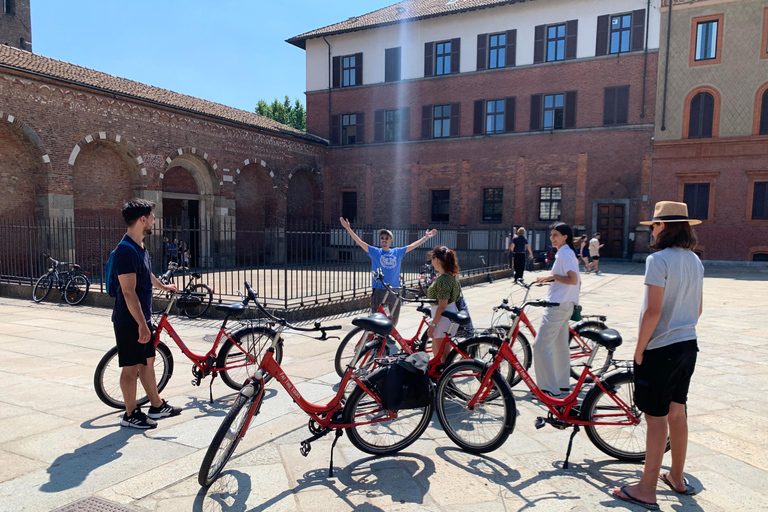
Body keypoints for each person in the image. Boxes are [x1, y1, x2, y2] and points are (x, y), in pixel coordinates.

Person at [613, 201, 703, 510]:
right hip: (688, 343)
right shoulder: (695, 260)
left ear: (663, 227)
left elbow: (652, 310)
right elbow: (699, 309)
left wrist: (640, 348)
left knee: (655, 419)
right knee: (677, 413)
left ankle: (646, 488)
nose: (651, 229)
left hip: (661, 348)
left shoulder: (658, 261)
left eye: (654, 225)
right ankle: (676, 477)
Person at [113, 199, 181, 429]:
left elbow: (146, 274)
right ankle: (130, 414)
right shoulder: (125, 251)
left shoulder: (139, 246)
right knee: (131, 368)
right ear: (142, 219)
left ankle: (156, 405)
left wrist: (163, 287)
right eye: (152, 217)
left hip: (143, 319)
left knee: (148, 363)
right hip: (130, 320)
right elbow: (128, 292)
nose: (154, 220)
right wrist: (142, 324)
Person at [340, 218, 436, 326]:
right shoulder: (375, 252)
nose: (384, 240)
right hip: (379, 289)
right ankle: (374, 336)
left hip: (394, 290)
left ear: (391, 240)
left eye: (386, 238)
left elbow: (413, 245)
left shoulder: (397, 252)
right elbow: (360, 242)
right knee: (375, 317)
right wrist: (348, 228)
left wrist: (425, 237)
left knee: (394, 316)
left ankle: (389, 335)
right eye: (382, 238)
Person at [533, 222, 581, 399]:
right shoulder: (567, 253)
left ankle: (547, 389)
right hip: (565, 304)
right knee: (560, 347)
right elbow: (577, 281)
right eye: (551, 235)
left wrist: (551, 277)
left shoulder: (565, 254)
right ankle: (561, 386)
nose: (552, 238)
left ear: (565, 236)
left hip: (557, 306)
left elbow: (573, 279)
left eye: (555, 235)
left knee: (540, 346)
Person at [426, 246, 461, 364]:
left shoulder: (443, 280)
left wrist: (433, 324)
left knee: (440, 358)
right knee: (443, 357)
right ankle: (445, 380)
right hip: (447, 318)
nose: (431, 262)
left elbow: (442, 306)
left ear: (436, 259)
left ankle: (444, 381)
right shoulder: (450, 276)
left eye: (432, 259)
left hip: (442, 320)